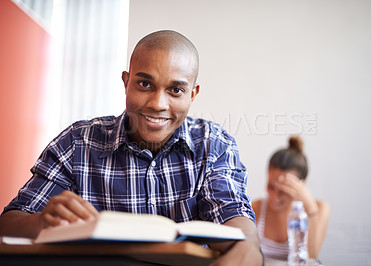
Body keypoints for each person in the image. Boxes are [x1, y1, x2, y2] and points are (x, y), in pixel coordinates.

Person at [0, 30, 263, 265]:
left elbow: (232, 213)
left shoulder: (214, 144)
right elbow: (8, 223)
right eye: (145, 84)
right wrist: (40, 222)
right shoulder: (77, 142)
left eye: (175, 90)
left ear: (192, 94)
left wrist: (248, 246)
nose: (158, 104)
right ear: (126, 81)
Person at [252, 136, 330, 262]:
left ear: (301, 185)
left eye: (284, 190)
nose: (275, 196)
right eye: (271, 186)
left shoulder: (319, 209)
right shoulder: (254, 208)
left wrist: (310, 207)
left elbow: (311, 257)